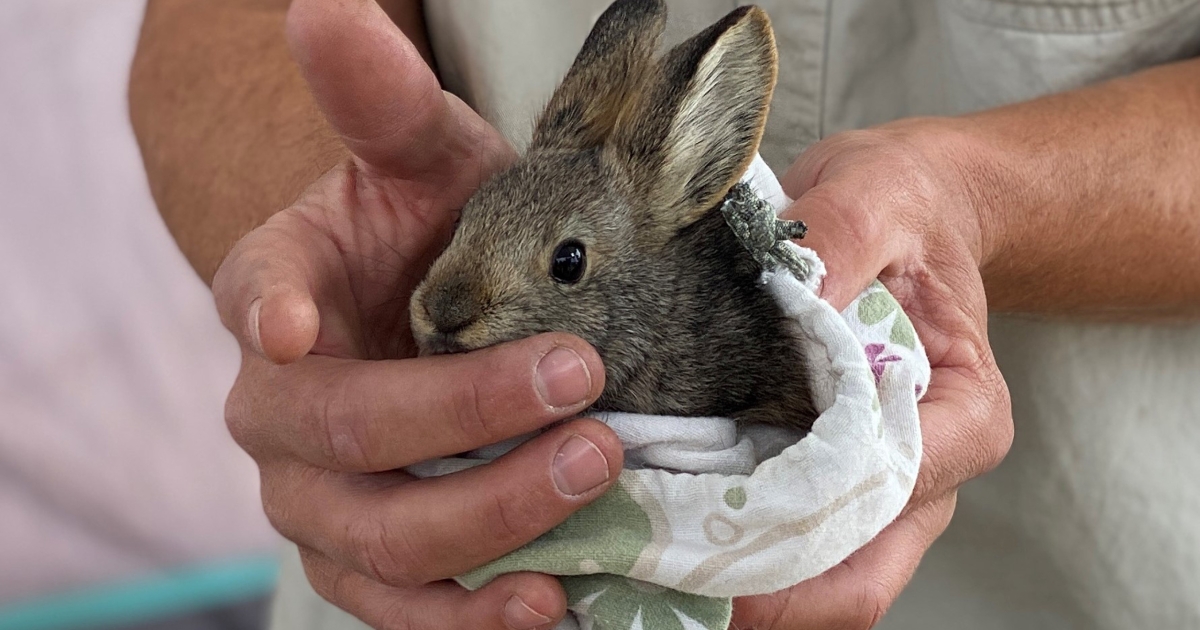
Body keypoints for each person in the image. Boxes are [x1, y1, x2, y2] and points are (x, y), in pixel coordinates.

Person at [129, 0, 1200, 628]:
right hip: (417, 590)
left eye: (561, 263)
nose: (447, 302)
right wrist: (324, 244)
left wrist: (980, 198)